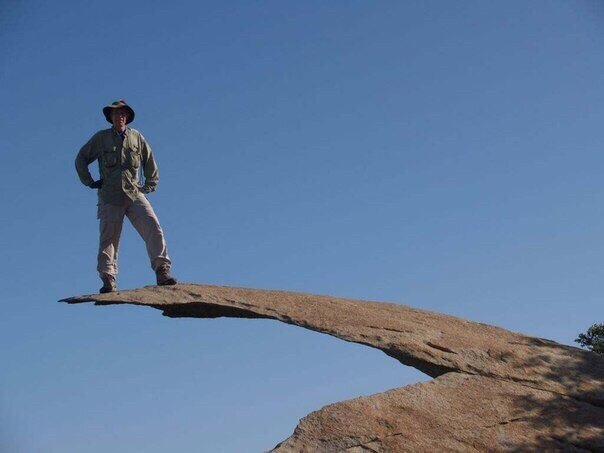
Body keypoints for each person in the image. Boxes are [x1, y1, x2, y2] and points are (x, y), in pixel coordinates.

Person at [75, 99, 177, 293]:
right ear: (110, 118)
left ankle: (162, 271)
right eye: (115, 114)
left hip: (133, 193)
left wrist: (149, 185)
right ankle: (108, 279)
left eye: (122, 114)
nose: (119, 117)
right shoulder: (101, 138)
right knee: (109, 239)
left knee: (153, 227)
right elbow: (81, 158)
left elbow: (149, 161)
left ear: (127, 117)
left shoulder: (136, 137)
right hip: (110, 196)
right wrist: (89, 181)